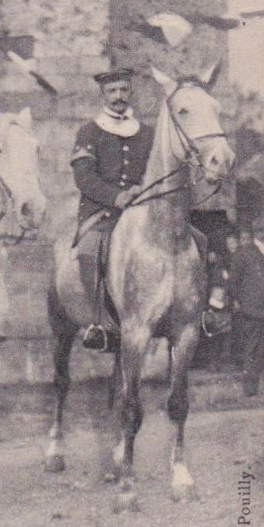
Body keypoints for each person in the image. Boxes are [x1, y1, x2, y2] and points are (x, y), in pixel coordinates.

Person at [70, 67, 154, 351]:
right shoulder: (89, 131)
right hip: (102, 212)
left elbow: (155, 172)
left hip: (143, 210)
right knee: (88, 251)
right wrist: (116, 197)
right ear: (103, 95)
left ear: (131, 92)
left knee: (197, 240)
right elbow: (84, 177)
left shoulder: (146, 132)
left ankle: (197, 313)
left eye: (123, 90)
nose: (118, 96)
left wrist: (142, 191)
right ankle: (99, 322)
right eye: (112, 91)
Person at [227, 214, 264, 396]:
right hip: (252, 310)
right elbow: (233, 283)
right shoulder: (244, 254)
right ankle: (250, 389)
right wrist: (242, 302)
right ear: (256, 232)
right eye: (262, 230)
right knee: (252, 349)